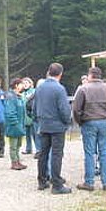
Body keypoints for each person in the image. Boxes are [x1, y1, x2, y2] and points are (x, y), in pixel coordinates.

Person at [73, 67, 106, 191]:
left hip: (88, 122)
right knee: (104, 152)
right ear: (100, 76)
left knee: (90, 153)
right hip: (105, 123)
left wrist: (80, 122)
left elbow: (76, 109)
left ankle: (89, 182)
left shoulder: (83, 89)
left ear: (90, 76)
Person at [35, 63, 72, 195]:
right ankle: (56, 184)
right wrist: (67, 121)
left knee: (43, 153)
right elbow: (64, 109)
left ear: (48, 72)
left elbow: (34, 106)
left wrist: (38, 119)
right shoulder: (59, 89)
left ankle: (41, 180)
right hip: (57, 126)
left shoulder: (39, 87)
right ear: (60, 74)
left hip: (43, 124)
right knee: (56, 155)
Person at [5, 78, 27, 170]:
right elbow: (10, 112)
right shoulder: (11, 96)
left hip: (20, 125)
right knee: (13, 146)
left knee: (18, 145)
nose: (23, 86)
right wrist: (16, 123)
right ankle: (14, 163)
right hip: (14, 125)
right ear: (16, 85)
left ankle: (18, 161)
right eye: (21, 84)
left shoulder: (19, 96)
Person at [22, 77, 36, 155]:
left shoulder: (34, 92)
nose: (25, 85)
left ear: (30, 84)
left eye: (26, 83)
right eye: (23, 83)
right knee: (27, 134)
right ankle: (28, 148)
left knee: (34, 134)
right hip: (25, 117)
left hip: (32, 116)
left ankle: (38, 149)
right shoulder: (22, 94)